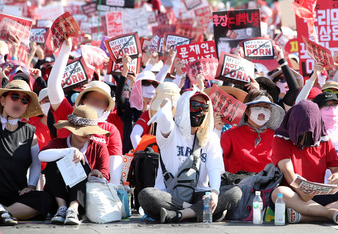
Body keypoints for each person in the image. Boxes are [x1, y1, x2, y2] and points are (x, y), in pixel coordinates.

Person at [138, 89, 240, 223]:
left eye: (205, 108)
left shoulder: (210, 138)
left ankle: (179, 215)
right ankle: (198, 212)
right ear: (184, 106)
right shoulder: (171, 131)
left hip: (200, 195)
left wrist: (214, 193)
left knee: (235, 192)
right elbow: (163, 116)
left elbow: (215, 168)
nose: (201, 111)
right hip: (170, 196)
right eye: (195, 106)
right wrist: (167, 103)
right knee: (147, 195)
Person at [271, 100, 338, 225]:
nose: (305, 136)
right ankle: (329, 214)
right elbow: (288, 172)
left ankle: (307, 217)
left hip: (317, 195)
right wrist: (301, 191)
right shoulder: (281, 139)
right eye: (301, 131)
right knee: (279, 193)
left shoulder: (324, 140)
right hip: (293, 194)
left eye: (310, 132)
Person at [48, 39, 123, 184]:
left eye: (100, 100)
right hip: (61, 189)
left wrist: (112, 192)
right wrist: (65, 50)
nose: (95, 103)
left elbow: (114, 167)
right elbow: (53, 86)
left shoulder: (110, 130)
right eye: (92, 98)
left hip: (95, 189)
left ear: (107, 107)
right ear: (82, 101)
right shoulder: (67, 115)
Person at [39, 105, 111, 225]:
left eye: (89, 131)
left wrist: (95, 173)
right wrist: (69, 151)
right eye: (82, 130)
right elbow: (41, 156)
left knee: (79, 162)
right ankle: (62, 208)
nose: (86, 134)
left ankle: (73, 208)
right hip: (55, 201)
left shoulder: (99, 147)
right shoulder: (58, 143)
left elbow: (105, 175)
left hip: (84, 200)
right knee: (56, 160)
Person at [0, 80, 50, 225]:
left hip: (16, 195)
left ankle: (4, 212)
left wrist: (31, 186)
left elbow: (36, 164)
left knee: (45, 199)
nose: (19, 102)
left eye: (24, 99)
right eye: (14, 96)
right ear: (3, 100)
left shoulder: (30, 132)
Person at [221, 90, 285, 174]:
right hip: (237, 184)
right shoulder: (231, 134)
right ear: (247, 111)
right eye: (257, 106)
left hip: (269, 185)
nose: (262, 110)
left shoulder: (277, 137)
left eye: (266, 107)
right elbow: (215, 158)